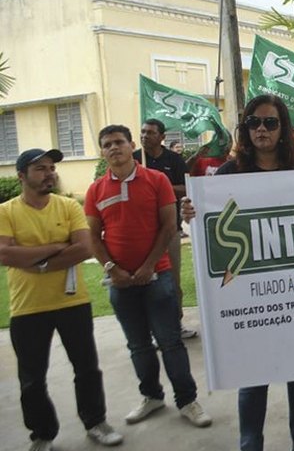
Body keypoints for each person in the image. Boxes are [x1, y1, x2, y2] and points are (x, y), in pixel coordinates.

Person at [181, 94, 294, 451]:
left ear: (284, 129)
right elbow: (212, 225)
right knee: (253, 377)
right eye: (254, 123)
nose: (262, 129)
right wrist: (191, 212)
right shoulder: (229, 174)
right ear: (245, 130)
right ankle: (251, 445)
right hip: (251, 294)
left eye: (270, 123)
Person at [85, 125, 212, 428]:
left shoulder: (156, 180)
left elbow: (169, 227)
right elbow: (93, 236)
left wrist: (148, 266)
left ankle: (187, 400)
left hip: (158, 278)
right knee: (138, 346)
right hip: (120, 282)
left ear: (131, 146)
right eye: (107, 145)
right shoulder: (96, 190)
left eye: (119, 142)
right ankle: (152, 396)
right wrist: (112, 270)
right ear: (102, 152)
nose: (114, 148)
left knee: (170, 343)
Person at [0, 148, 124, 451]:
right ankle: (42, 434)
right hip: (28, 306)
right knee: (32, 379)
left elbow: (83, 248)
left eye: (51, 167)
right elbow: (4, 253)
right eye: (40, 168)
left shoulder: (68, 206)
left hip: (73, 303)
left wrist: (33, 260)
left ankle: (96, 422)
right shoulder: (5, 212)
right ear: (21, 176)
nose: (49, 173)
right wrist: (58, 246)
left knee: (87, 368)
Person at [133, 119, 197, 339]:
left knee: (171, 280)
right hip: (140, 233)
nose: (144, 136)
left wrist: (161, 186)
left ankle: (175, 325)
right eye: (142, 132)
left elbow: (188, 186)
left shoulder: (174, 160)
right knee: (144, 283)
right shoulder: (134, 160)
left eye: (150, 132)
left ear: (162, 137)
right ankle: (149, 330)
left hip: (169, 231)